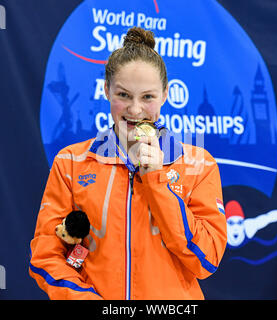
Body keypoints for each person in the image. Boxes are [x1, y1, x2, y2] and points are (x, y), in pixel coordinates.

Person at [29, 27, 227, 300]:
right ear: (107, 90)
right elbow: (46, 256)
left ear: (165, 94)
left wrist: (158, 182)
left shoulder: (199, 165)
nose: (135, 109)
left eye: (148, 97)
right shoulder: (71, 162)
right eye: (123, 95)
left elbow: (206, 260)